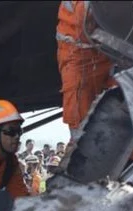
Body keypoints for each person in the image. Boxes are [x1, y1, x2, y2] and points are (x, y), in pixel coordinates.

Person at [56, 1, 115, 139]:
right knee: (79, 119)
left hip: (102, 52)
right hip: (77, 56)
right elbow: (83, 20)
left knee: (123, 98)